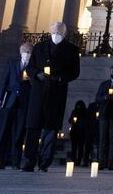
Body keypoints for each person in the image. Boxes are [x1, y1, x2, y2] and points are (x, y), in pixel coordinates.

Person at [22, 21, 80, 172]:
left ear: (65, 33)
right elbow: (30, 66)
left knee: (50, 130)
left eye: (59, 32)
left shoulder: (72, 50)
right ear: (50, 31)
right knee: (33, 128)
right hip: (38, 92)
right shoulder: (39, 47)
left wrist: (60, 78)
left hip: (56, 93)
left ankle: (44, 162)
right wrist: (37, 75)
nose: (57, 34)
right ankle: (29, 161)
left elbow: (74, 72)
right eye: (54, 31)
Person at [0, 42, 33, 170]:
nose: (26, 54)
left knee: (19, 133)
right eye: (25, 51)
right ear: (20, 52)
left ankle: (15, 163)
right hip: (9, 100)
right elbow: (4, 82)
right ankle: (0, 161)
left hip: (24, 103)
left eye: (29, 52)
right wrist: (0, 99)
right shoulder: (12, 64)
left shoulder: (32, 67)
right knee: (4, 131)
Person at [68, 101, 88, 166]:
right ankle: (73, 160)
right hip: (74, 132)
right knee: (74, 147)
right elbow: (70, 120)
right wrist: (74, 121)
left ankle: (78, 160)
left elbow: (86, 121)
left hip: (82, 132)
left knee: (80, 147)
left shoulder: (85, 112)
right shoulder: (74, 112)